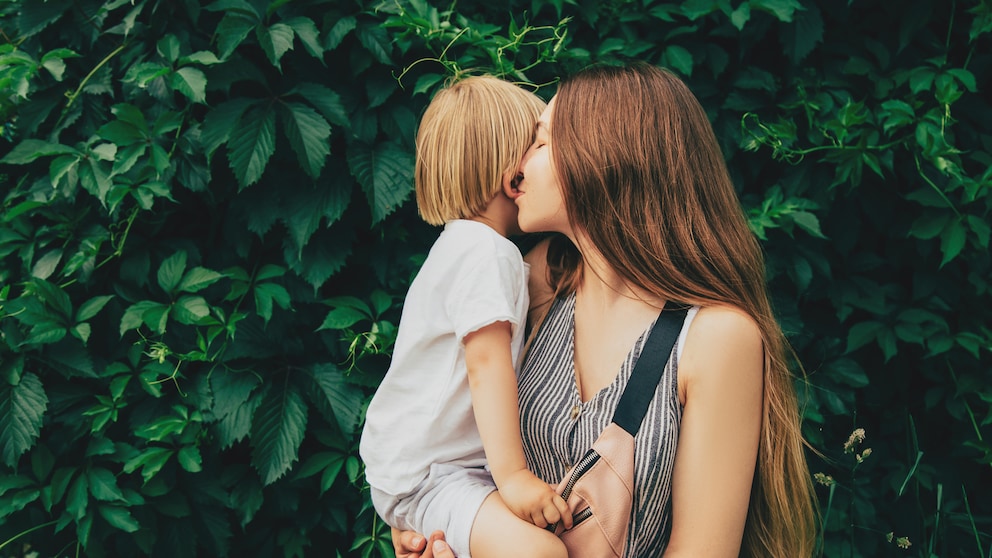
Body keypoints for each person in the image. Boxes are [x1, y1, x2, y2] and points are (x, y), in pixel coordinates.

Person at [393, 61, 818, 557]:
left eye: (541, 141)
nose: (518, 165)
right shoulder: (537, 290)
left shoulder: (715, 338)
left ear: (602, 158)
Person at [359, 75, 571, 558]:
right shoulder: (485, 254)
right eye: (537, 145)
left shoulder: (465, 247)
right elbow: (486, 365)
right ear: (513, 179)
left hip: (421, 470)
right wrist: (514, 478)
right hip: (435, 475)